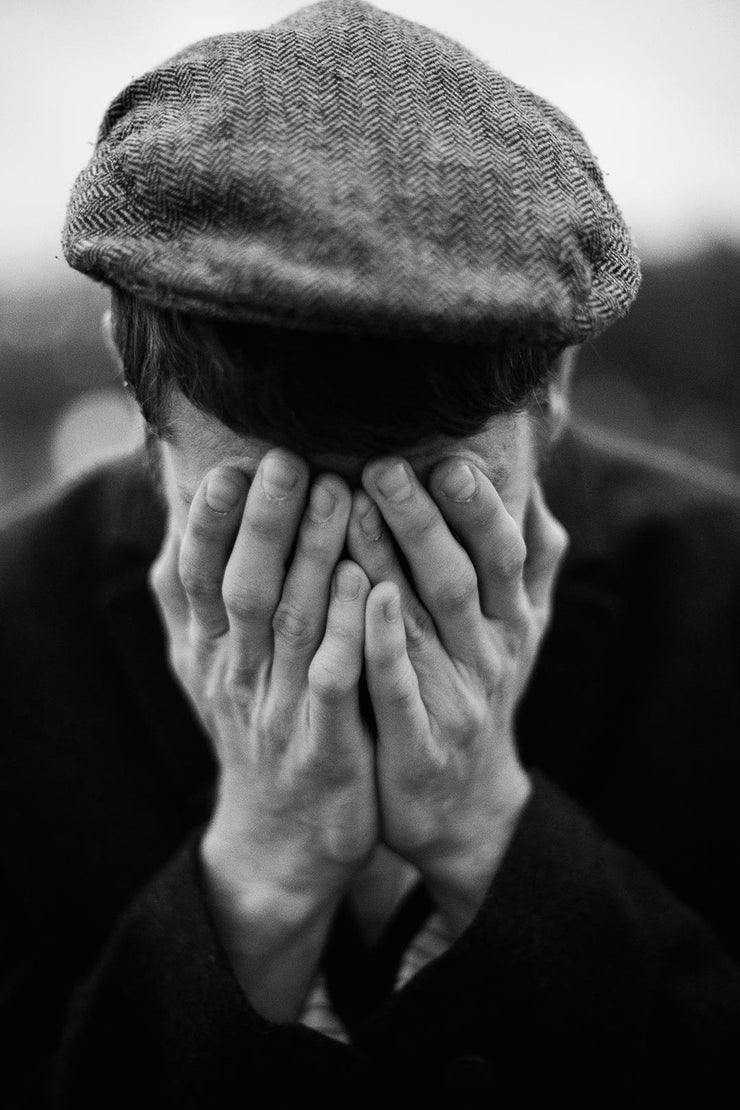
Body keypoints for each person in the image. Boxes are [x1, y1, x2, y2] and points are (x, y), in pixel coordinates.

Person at [2, 1, 739, 1105]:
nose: (348, 585)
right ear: (132, 378)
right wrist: (261, 876)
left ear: (551, 394)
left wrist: (491, 829)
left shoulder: (720, 599)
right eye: (270, 506)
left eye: (429, 500)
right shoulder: (14, 630)